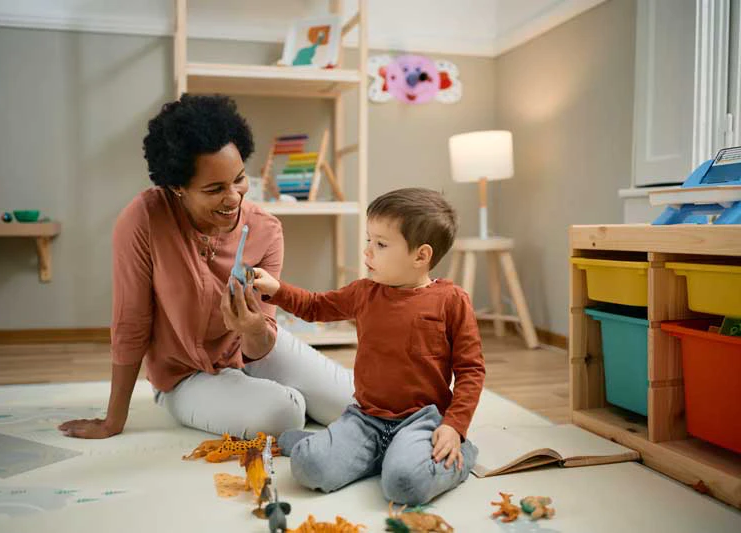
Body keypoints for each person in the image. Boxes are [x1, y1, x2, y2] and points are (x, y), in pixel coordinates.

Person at [58, 95, 353, 440]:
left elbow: (260, 345)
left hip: (252, 349)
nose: (234, 197)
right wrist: (114, 419)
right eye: (215, 189)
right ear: (177, 187)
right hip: (184, 375)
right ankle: (267, 396)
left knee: (358, 403)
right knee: (284, 414)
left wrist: (254, 328)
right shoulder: (144, 220)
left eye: (239, 179)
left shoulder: (265, 230)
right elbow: (131, 323)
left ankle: (264, 390)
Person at [253, 188, 486, 506]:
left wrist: (454, 427)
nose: (367, 252)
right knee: (308, 467)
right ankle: (369, 452)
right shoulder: (364, 293)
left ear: (421, 256)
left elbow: (471, 370)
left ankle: (459, 455)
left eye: (380, 244)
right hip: (365, 418)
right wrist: (277, 290)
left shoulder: (451, 300)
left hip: (421, 420)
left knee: (404, 485)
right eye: (368, 241)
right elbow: (316, 306)